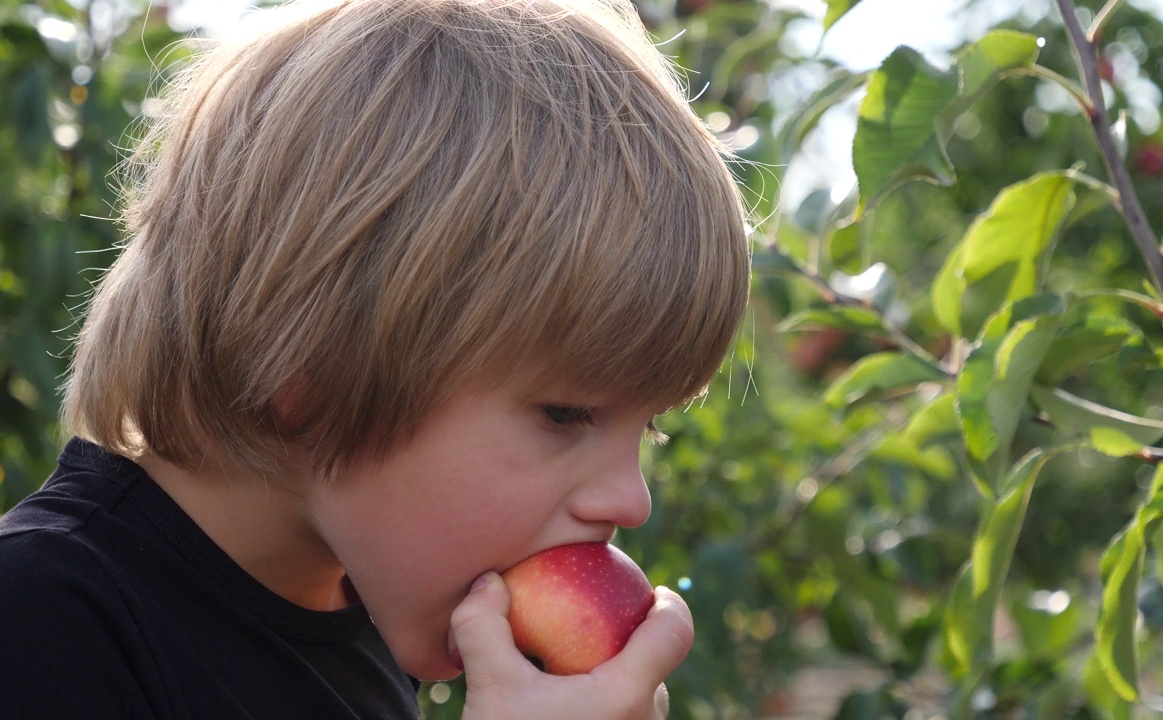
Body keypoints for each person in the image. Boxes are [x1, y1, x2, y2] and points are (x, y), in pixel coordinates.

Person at [0, 0, 750, 717]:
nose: (631, 501)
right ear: (307, 363)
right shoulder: (44, 624)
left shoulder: (359, 629)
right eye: (566, 413)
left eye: (646, 427)